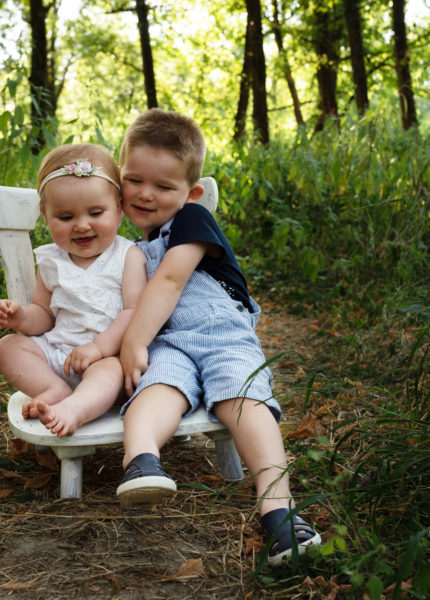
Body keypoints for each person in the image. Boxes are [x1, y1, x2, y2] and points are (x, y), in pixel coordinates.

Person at [116, 108, 321, 566]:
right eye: (135, 180)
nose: (146, 194)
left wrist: (132, 341)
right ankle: (143, 461)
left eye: (163, 186)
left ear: (190, 193)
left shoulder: (192, 220)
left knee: (240, 395)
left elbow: (169, 282)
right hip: (170, 340)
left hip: (220, 331)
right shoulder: (130, 246)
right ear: (119, 176)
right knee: (158, 386)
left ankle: (278, 509)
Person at [0, 143, 146, 438]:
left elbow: (135, 311)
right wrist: (20, 318)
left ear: (118, 208)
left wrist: (97, 348)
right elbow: (44, 315)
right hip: (58, 355)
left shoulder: (128, 255)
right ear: (46, 215)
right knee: (8, 346)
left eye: (95, 212)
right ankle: (52, 388)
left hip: (108, 357)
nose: (81, 225)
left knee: (108, 372)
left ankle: (76, 409)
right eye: (66, 218)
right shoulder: (51, 259)